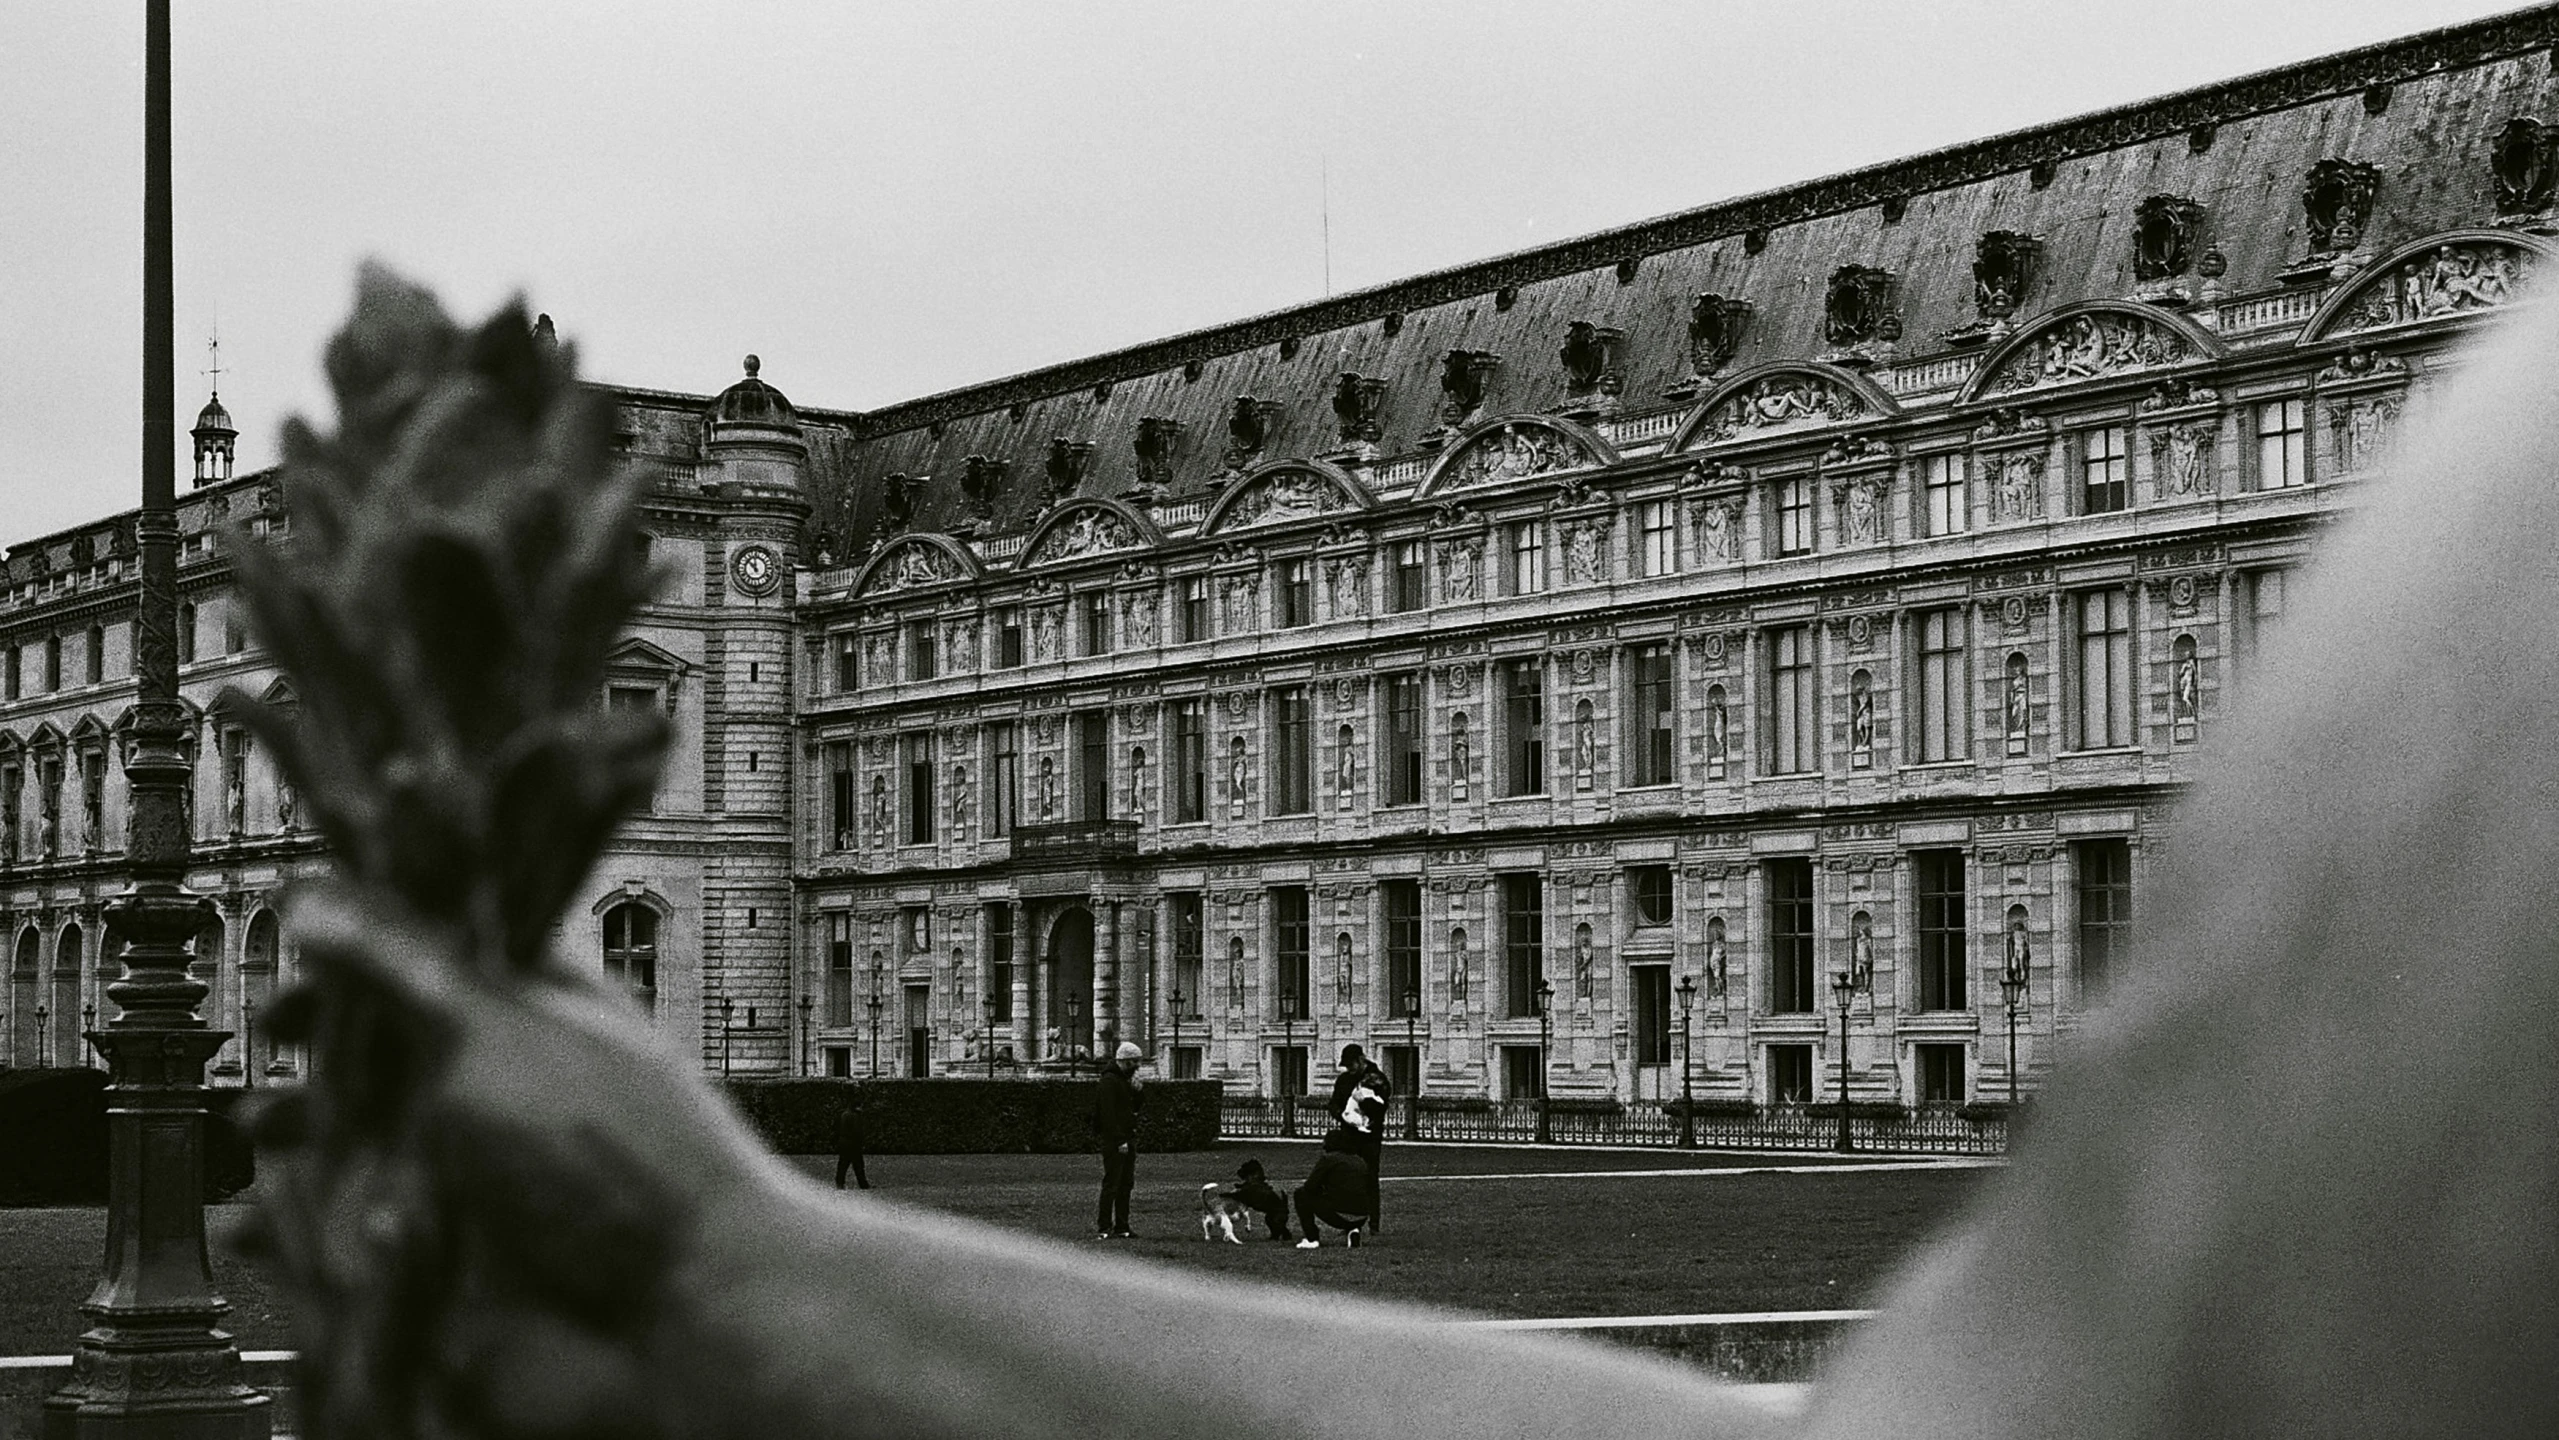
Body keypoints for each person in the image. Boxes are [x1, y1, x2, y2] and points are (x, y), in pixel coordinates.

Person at [1327, 1043, 1391, 1232]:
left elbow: (1381, 1108)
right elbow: (1333, 1103)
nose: (1349, 1069)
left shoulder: (1378, 1080)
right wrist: (1342, 1115)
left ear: (1361, 1060)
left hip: (1369, 1137)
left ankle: (1373, 1223)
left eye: (1351, 1065)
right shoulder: (1344, 1080)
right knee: (1348, 1178)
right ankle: (1351, 1222)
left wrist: (1364, 1103)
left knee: (1370, 1178)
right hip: (1348, 1135)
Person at [1095, 1039, 1145, 1238]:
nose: (1138, 1066)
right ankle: (1104, 1226)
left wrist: (1138, 1092)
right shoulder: (1109, 1081)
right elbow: (1107, 1114)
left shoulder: (1124, 1080)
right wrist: (1119, 1140)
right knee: (1112, 1184)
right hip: (1115, 1141)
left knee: (1126, 1184)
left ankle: (1122, 1225)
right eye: (1135, 1062)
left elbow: (1134, 1108)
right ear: (1125, 1061)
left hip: (1127, 1137)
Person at [1293, 1128, 1374, 1249]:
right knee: (1351, 1197)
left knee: (1301, 1194)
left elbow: (1310, 1186)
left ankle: (1312, 1238)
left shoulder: (1328, 1159)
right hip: (1362, 1215)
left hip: (1339, 1214)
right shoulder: (1359, 1160)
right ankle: (1354, 1230)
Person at [1225, 1158, 1292, 1242]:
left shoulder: (1255, 1188)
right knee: (1271, 1220)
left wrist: (1227, 1195)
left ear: (1253, 1175)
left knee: (1274, 1221)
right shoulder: (1255, 1185)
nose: (1246, 1179)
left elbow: (1241, 1194)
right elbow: (1245, 1189)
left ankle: (1282, 1235)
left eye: (1248, 1177)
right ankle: (1281, 1234)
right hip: (1277, 1210)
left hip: (1279, 1212)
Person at [833, 1097, 869, 1191]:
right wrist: (862, 1142)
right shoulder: (855, 1116)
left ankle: (840, 1183)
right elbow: (857, 1131)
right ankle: (863, 1184)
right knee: (858, 1165)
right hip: (853, 1144)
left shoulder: (844, 1114)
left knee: (843, 1165)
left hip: (844, 1142)